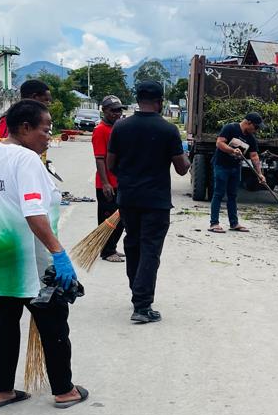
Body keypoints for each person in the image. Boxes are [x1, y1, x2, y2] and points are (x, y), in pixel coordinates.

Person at [0, 99, 87, 409]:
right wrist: (58, 253)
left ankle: (1, 390)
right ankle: (64, 390)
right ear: (24, 128)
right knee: (53, 319)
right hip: (27, 255)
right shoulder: (26, 160)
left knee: (5, 320)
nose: (48, 137)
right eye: (45, 130)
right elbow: (34, 214)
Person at [106, 81, 190, 323]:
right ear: (160, 101)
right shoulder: (168, 130)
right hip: (156, 201)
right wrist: (186, 155)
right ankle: (142, 306)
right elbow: (182, 169)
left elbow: (111, 164)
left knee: (133, 245)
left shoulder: (121, 127)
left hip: (128, 199)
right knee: (150, 250)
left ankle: (137, 293)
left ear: (138, 99)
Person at [208, 111, 266, 233]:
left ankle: (234, 223)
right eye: (255, 127)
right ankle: (214, 223)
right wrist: (232, 150)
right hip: (221, 165)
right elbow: (219, 143)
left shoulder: (251, 138)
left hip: (235, 167)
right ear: (248, 123)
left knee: (233, 195)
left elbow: (254, 156)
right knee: (218, 193)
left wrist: (259, 174)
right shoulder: (230, 128)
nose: (256, 130)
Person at [92, 96, 125, 262]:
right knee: (107, 218)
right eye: (113, 110)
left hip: (120, 182)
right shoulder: (101, 130)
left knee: (121, 218)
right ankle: (106, 251)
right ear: (104, 110)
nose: (117, 113)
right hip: (106, 183)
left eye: (119, 110)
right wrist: (105, 183)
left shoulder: (118, 128)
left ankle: (112, 247)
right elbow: (99, 158)